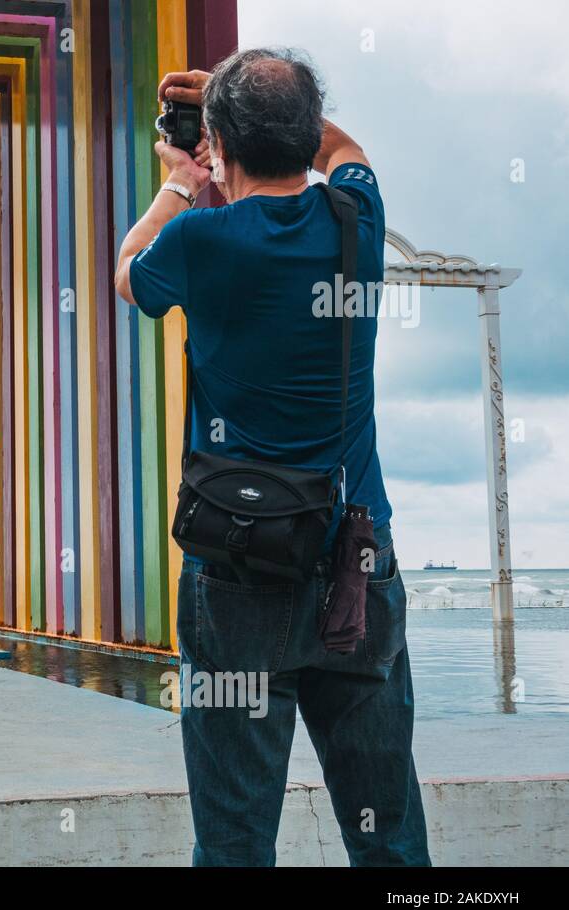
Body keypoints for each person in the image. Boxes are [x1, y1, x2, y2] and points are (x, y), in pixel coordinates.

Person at [113, 49, 430, 866]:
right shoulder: (357, 217)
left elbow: (127, 276)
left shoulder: (199, 237)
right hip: (360, 563)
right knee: (387, 835)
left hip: (241, 572)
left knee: (235, 841)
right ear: (303, 132)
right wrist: (242, 97)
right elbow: (343, 149)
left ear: (219, 140)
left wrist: (186, 174)